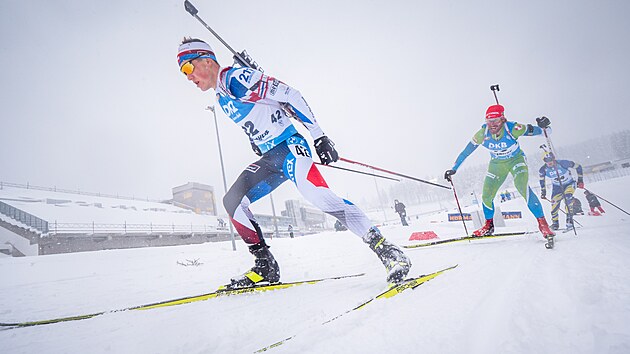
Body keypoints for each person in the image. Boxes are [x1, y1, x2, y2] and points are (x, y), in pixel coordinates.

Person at [177, 38, 410, 287]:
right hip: (270, 158)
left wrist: (319, 135)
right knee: (233, 202)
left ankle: (389, 251)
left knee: (322, 199)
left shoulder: (237, 79)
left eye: (188, 68)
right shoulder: (221, 98)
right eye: (183, 73)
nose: (188, 77)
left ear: (206, 60)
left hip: (290, 148)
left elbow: (291, 95)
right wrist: (256, 141)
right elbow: (262, 113)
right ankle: (265, 266)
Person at [443, 104, 554, 238]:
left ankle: (543, 225)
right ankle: (488, 226)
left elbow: (543, 132)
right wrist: (453, 169)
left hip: (516, 161)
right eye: (489, 122)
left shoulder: (513, 128)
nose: (492, 125)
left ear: (502, 119)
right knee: (486, 195)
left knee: (522, 186)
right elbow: (466, 152)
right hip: (497, 164)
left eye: (495, 121)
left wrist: (545, 127)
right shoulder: (482, 134)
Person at [538, 152, 584, 230]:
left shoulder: (563, 163)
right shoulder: (543, 170)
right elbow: (542, 180)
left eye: (550, 159)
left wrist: (580, 180)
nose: (549, 162)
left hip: (569, 184)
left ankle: (569, 221)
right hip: (557, 188)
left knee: (568, 198)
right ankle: (555, 224)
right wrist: (543, 191)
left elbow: (578, 166)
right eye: (546, 160)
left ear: (554, 158)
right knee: (554, 204)